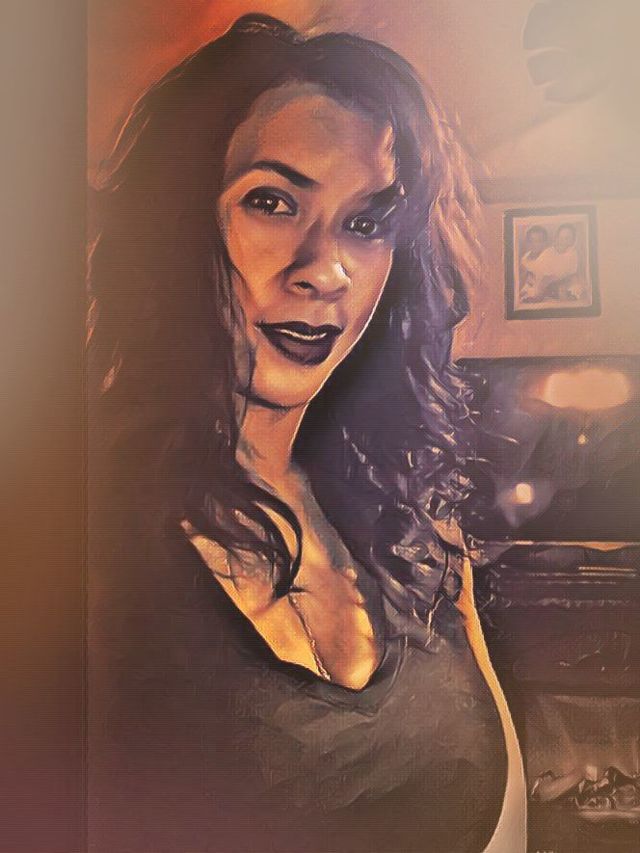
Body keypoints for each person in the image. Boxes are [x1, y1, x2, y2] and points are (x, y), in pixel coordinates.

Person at [88, 14, 526, 852]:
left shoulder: (421, 536)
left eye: (365, 223)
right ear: (176, 225)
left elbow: (502, 821)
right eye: (273, 202)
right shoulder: (71, 535)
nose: (324, 268)